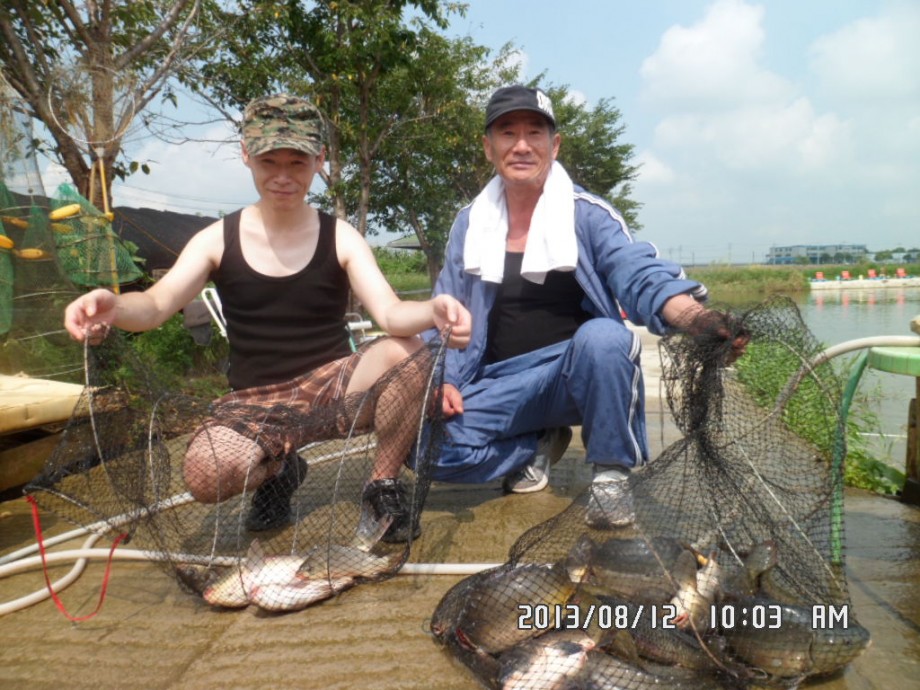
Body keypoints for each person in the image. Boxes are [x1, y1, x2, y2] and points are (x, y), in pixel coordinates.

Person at [64, 93, 471, 542]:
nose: (282, 176)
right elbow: (156, 305)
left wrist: (432, 310)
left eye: (297, 163)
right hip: (255, 400)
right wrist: (115, 306)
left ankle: (383, 484)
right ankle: (279, 471)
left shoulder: (342, 237)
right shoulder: (215, 239)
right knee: (205, 475)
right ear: (246, 155)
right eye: (268, 162)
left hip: (334, 386)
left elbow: (391, 314)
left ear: (319, 160)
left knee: (408, 351)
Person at [429, 85, 746, 528]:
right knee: (424, 449)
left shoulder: (588, 214)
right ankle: (534, 445)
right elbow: (444, 308)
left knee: (605, 337)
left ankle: (610, 474)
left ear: (554, 145)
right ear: (488, 147)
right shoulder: (470, 223)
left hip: (577, 376)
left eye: (534, 132)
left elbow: (635, 271)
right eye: (507, 133)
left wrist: (695, 317)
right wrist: (441, 379)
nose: (521, 145)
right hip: (502, 381)